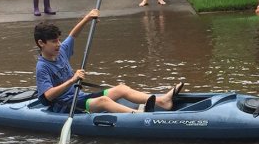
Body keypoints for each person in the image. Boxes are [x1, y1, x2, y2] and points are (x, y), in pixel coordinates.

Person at [35, 9, 184, 114]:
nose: (59, 44)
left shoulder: (60, 51)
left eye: (59, 40)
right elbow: (48, 96)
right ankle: (140, 117)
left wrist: (88, 18)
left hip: (78, 97)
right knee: (103, 101)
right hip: (65, 105)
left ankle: (161, 101)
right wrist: (72, 80)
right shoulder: (42, 67)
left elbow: (72, 36)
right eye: (54, 41)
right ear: (42, 43)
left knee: (122, 88)